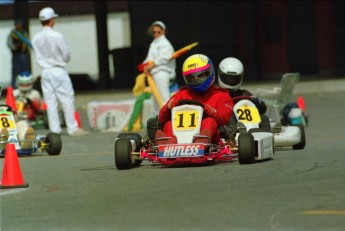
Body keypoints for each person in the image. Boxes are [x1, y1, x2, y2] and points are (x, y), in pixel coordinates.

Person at [32, 7, 88, 136]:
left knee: (50, 102)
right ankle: (72, 128)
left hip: (45, 72)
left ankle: (54, 130)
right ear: (51, 20)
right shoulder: (57, 35)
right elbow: (66, 55)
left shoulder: (36, 38)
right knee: (67, 99)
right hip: (58, 70)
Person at [156, 54, 234, 145]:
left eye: (200, 75)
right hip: (179, 137)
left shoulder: (222, 95)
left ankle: (200, 143)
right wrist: (168, 108)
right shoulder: (182, 94)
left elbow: (224, 118)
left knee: (209, 121)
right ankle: (169, 144)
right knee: (169, 123)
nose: (196, 79)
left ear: (209, 72)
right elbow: (161, 118)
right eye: (191, 77)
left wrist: (211, 112)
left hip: (210, 139)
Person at [218, 57, 270, 135]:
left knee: (264, 118)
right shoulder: (217, 94)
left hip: (250, 127)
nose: (231, 81)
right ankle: (234, 134)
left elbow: (263, 108)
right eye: (228, 78)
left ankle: (262, 134)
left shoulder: (244, 94)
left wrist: (256, 102)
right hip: (229, 128)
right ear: (220, 75)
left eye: (234, 79)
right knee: (229, 115)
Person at [141, 20, 176, 113]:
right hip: (153, 73)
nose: (156, 34)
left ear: (163, 31)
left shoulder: (165, 43)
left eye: (158, 32)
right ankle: (159, 119)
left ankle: (169, 118)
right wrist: (144, 65)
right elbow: (149, 58)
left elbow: (164, 58)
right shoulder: (154, 43)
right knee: (156, 98)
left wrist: (150, 65)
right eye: (154, 32)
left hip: (162, 73)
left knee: (164, 97)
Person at [0, 83, 35, 150]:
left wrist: (14, 114)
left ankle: (24, 141)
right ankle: (2, 143)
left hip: (8, 128)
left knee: (22, 123)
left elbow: (14, 119)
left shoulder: (4, 105)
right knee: (3, 131)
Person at [7, 19, 32, 88]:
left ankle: (26, 87)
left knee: (25, 72)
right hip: (16, 55)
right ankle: (14, 88)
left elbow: (28, 43)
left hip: (24, 55)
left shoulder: (24, 33)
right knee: (15, 72)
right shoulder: (13, 33)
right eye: (18, 24)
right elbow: (9, 43)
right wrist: (15, 47)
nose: (19, 25)